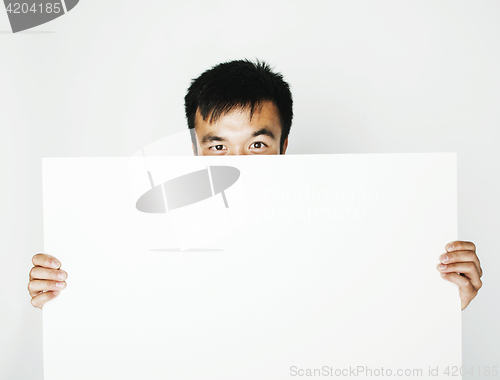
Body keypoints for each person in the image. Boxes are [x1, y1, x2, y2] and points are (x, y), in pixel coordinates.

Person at [28, 59, 483, 310]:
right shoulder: (148, 239)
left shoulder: (348, 235)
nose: (240, 163)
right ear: (196, 152)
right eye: (219, 146)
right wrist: (62, 299)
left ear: (284, 146)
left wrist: (442, 300)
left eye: (257, 145)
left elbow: (374, 322)